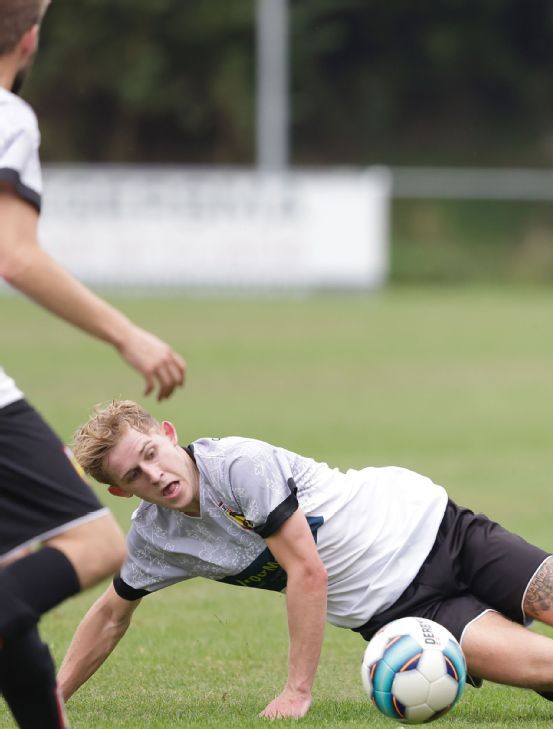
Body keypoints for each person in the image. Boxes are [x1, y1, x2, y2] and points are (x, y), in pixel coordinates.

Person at [56, 400, 553, 722]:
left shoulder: (236, 465)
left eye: (152, 453)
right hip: (402, 613)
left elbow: (307, 572)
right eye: (133, 474)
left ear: (166, 431)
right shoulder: (156, 538)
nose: (155, 474)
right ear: (119, 491)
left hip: (437, 527)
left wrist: (298, 691)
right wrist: (52, 697)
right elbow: (112, 614)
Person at [0, 1, 187, 726]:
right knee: (95, 539)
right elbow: (14, 252)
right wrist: (125, 335)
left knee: (14, 586)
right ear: (33, 37)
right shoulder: (9, 116)